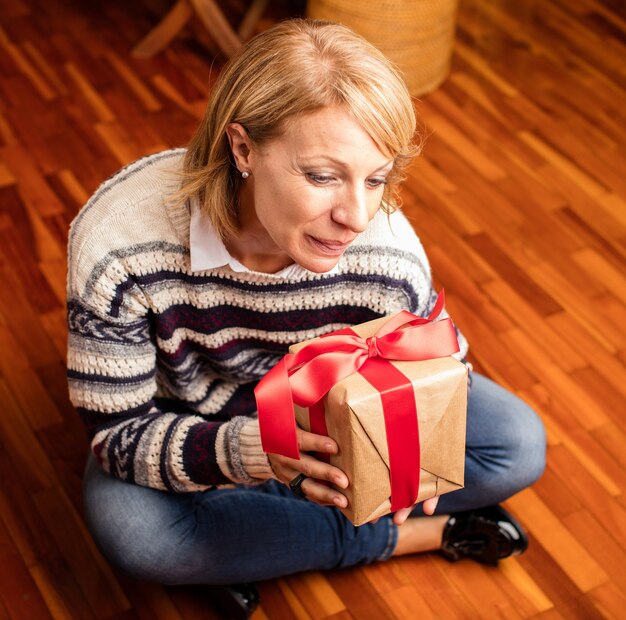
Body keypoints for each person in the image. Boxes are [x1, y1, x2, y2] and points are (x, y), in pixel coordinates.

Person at [67, 17, 545, 608]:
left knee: (518, 446)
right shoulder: (118, 242)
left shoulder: (386, 252)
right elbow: (118, 436)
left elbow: (438, 371)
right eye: (323, 176)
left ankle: (244, 539)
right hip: (191, 416)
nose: (357, 216)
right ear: (242, 148)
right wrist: (258, 455)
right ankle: (414, 536)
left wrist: (420, 440)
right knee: (136, 535)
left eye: (376, 178)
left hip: (329, 412)